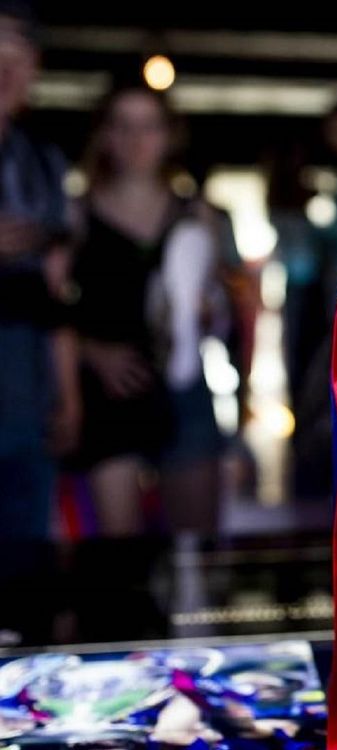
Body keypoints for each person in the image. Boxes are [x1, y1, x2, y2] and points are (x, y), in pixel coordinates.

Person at [69, 84, 222, 534]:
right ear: (106, 135)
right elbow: (52, 312)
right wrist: (91, 353)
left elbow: (216, 314)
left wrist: (209, 313)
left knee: (194, 560)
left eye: (149, 127)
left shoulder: (197, 216)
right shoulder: (77, 214)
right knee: (121, 564)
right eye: (124, 126)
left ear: (168, 135)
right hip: (109, 393)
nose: (138, 140)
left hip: (183, 391)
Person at [0, 1, 78, 537]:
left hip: (28, 381)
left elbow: (56, 288)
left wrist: (69, 394)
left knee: (28, 548)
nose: (6, 69)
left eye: (18, 54)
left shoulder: (43, 162)